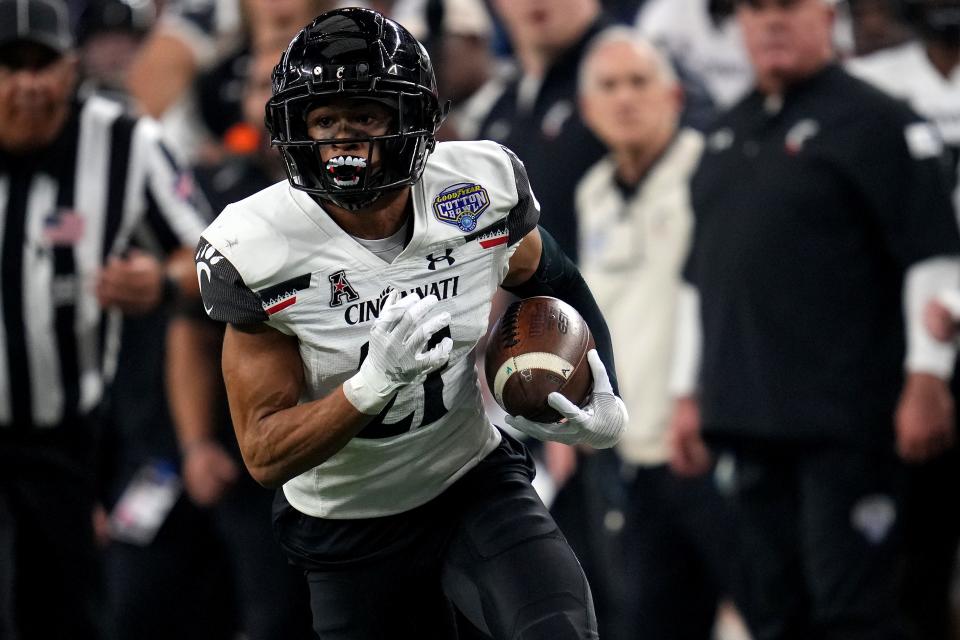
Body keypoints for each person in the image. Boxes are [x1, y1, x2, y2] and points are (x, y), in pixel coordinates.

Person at [194, 8, 627, 639]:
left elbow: (553, 280)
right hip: (347, 525)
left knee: (556, 628)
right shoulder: (258, 244)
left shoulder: (477, 187)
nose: (342, 138)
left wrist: (604, 390)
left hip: (469, 480)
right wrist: (371, 386)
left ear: (413, 120)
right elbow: (264, 452)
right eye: (322, 119)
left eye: (364, 115)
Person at [669, 1, 960, 639]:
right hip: (746, 419)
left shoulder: (879, 120)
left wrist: (928, 377)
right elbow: (700, 278)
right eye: (756, 9)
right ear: (739, 26)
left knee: (855, 613)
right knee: (774, 613)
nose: (771, 22)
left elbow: (931, 254)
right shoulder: (726, 131)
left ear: (828, 16)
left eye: (789, 6)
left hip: (849, 425)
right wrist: (686, 393)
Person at [0, 0, 208, 637]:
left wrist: (161, 280)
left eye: (45, 65)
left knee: (64, 614)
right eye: (11, 66)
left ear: (72, 68)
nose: (30, 83)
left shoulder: (123, 139)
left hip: (67, 441)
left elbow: (208, 257)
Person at [575, 27, 740, 640]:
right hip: (628, 452)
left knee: (770, 608)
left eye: (640, 82)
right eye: (609, 87)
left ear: (674, 95)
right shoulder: (592, 192)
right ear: (589, 110)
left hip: (708, 440)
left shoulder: (713, 170)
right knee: (648, 621)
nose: (625, 99)